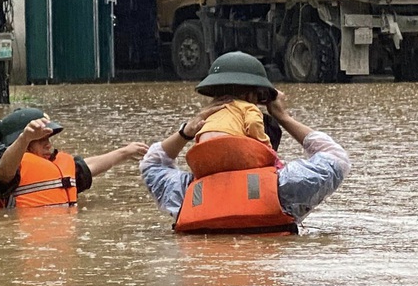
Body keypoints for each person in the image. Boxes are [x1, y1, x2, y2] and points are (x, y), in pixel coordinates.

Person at [140, 88, 351, 234]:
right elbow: (336, 158)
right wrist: (283, 117)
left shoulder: (185, 194)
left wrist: (186, 132)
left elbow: (152, 163)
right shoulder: (284, 188)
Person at [0, 107, 148, 208]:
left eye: (49, 138)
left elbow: (86, 167)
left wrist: (124, 152)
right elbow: (4, 172)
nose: (48, 144)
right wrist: (25, 138)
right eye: (40, 140)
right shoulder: (7, 173)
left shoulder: (54, 165)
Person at [194, 51, 277, 150]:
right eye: (258, 96)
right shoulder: (248, 107)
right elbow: (253, 123)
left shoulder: (209, 112)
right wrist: (266, 145)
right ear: (249, 96)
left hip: (202, 147)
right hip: (231, 146)